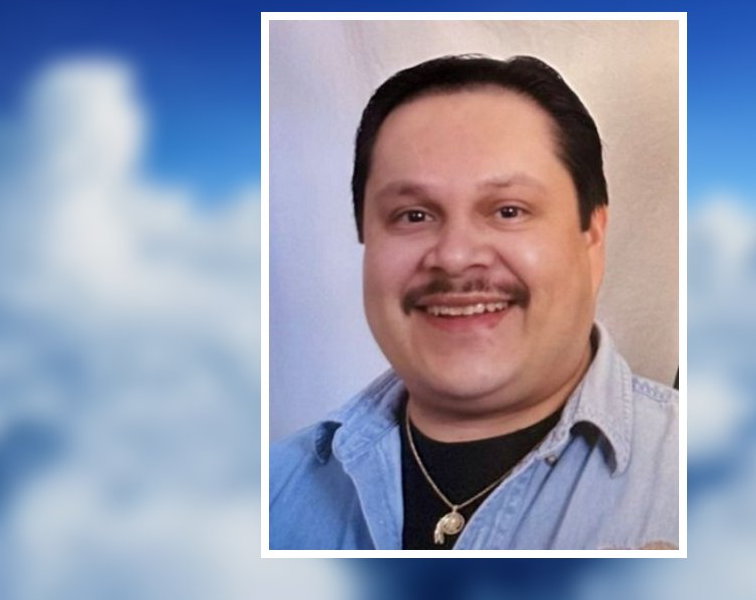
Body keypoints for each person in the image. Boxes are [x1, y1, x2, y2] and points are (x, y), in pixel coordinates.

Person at [269, 54, 679, 550]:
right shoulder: (269, 495)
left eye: (508, 210)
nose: (455, 257)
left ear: (592, 236)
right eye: (413, 215)